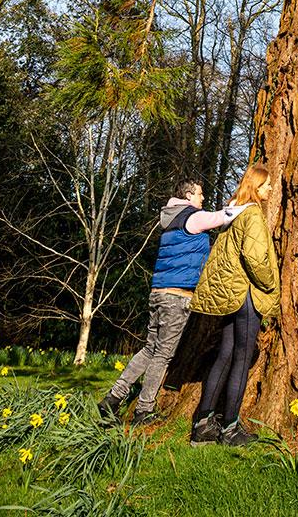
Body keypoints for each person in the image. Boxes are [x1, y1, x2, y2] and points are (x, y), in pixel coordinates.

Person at [99, 179, 246, 426]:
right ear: (188, 195)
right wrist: (247, 204)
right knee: (162, 355)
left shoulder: (171, 217)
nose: (203, 199)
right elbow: (224, 216)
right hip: (176, 297)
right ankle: (144, 410)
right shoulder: (192, 216)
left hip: (159, 292)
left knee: (149, 349)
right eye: (200, 194)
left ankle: (113, 398)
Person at [188, 163, 278, 447]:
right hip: (247, 296)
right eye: (266, 185)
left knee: (225, 354)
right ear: (255, 186)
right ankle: (230, 427)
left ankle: (203, 424)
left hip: (231, 295)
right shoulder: (251, 214)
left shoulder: (234, 211)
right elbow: (255, 258)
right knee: (241, 357)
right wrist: (269, 283)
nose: (271, 189)